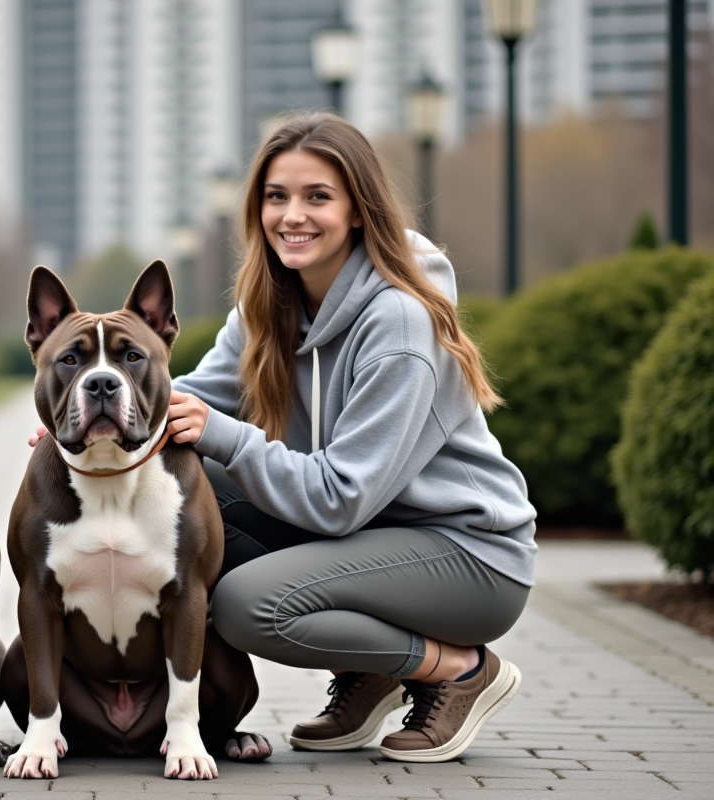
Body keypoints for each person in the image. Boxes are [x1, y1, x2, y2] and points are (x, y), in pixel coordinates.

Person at [161, 113, 537, 763]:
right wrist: (93, 419)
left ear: (359, 210)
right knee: (179, 482)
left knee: (250, 606)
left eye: (318, 197)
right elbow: (192, 395)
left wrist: (228, 437)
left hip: (469, 555)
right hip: (371, 536)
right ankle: (375, 670)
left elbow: (340, 498)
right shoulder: (267, 301)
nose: (292, 215)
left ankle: (457, 671)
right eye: (276, 197)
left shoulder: (399, 318)